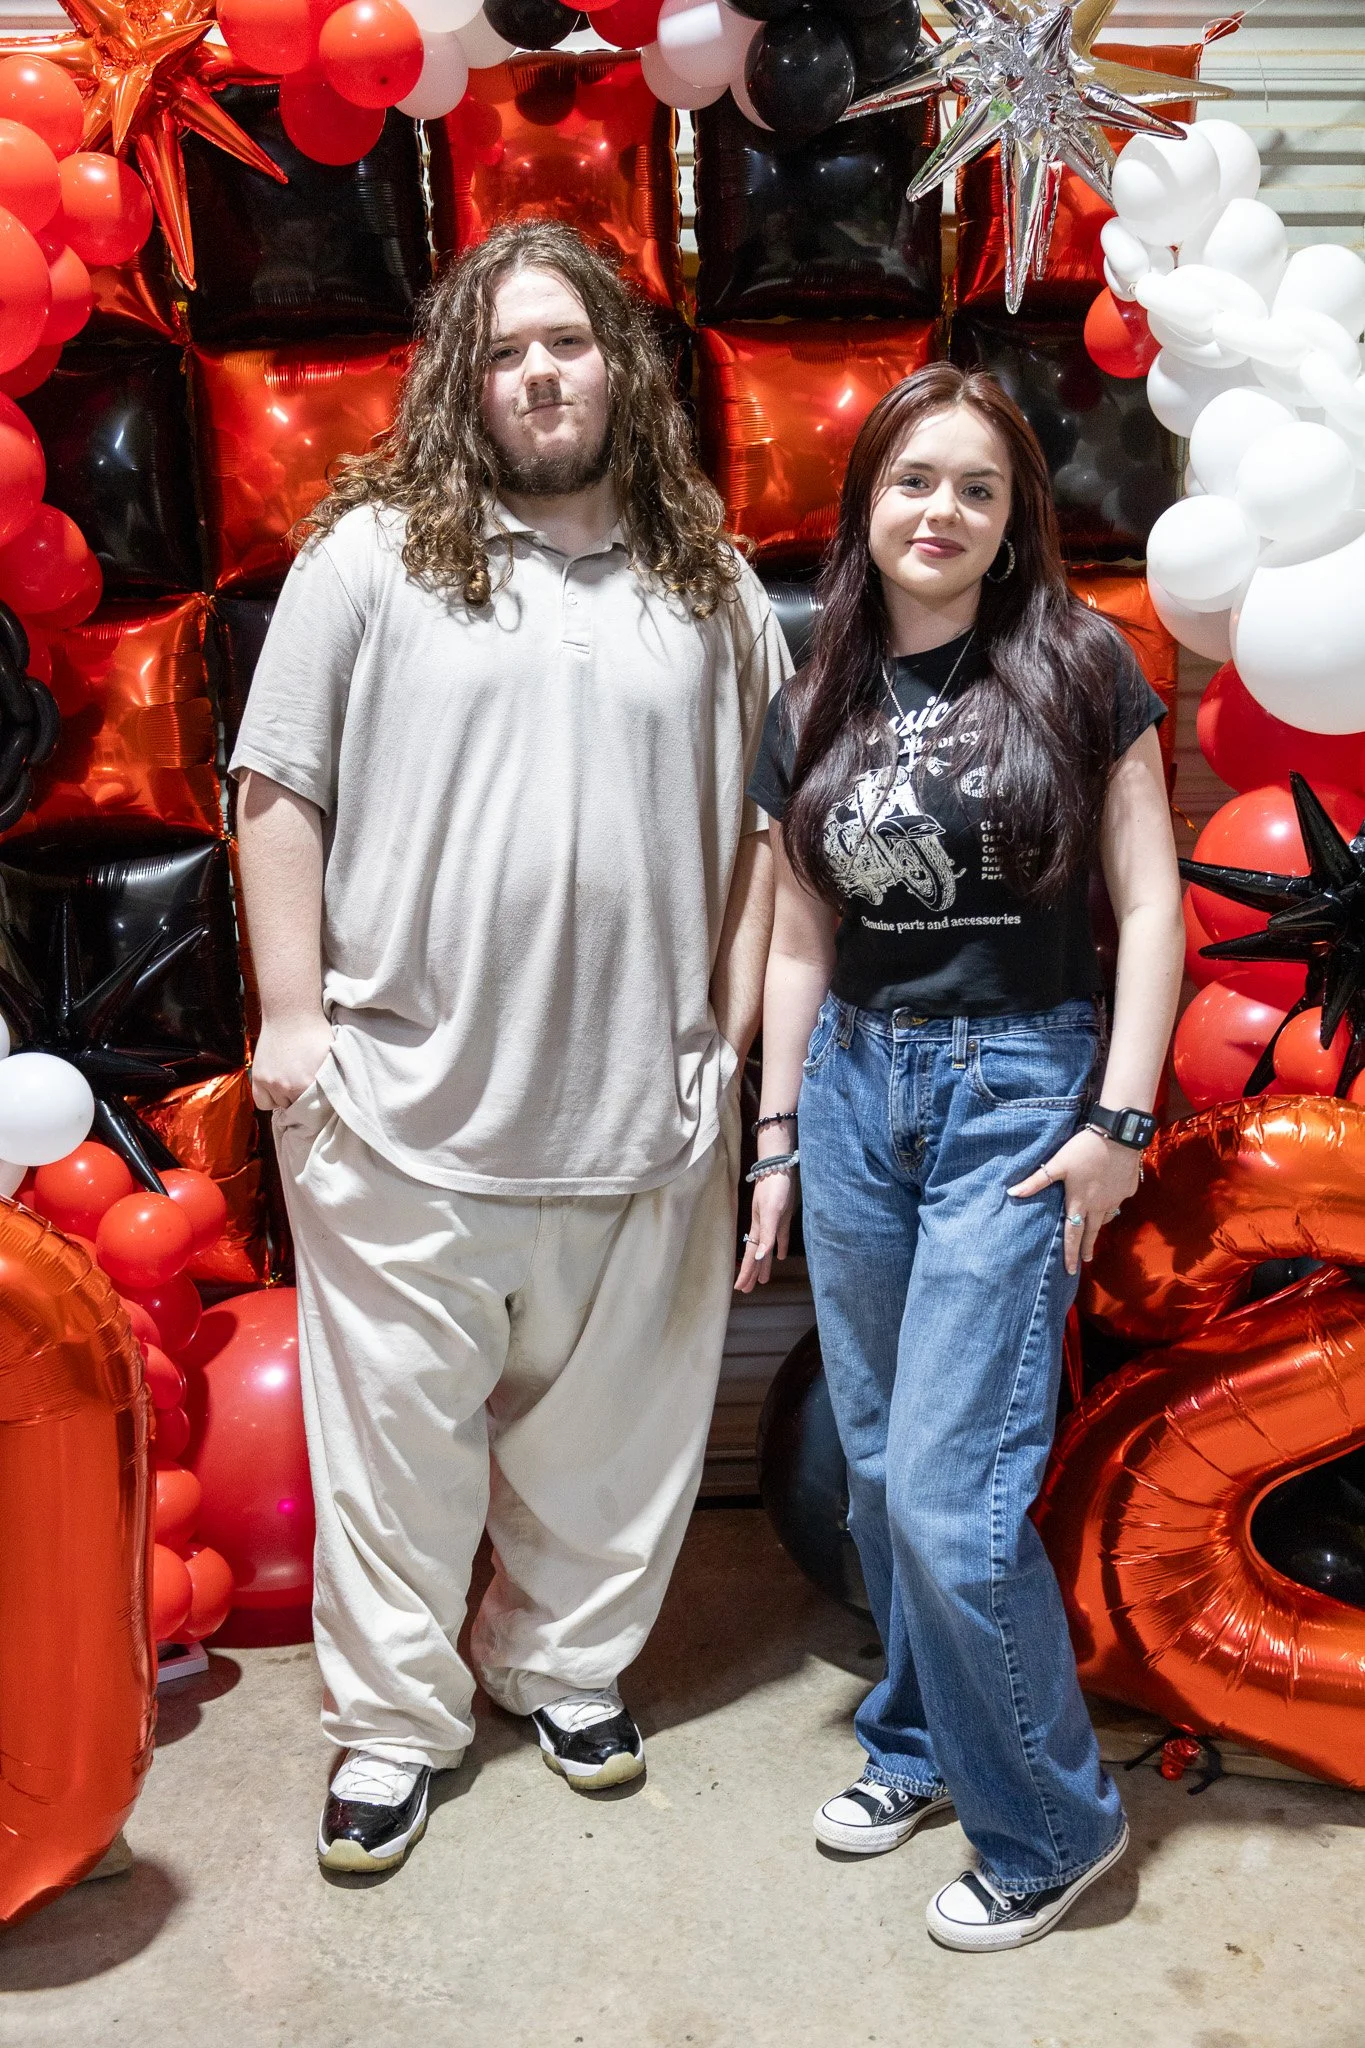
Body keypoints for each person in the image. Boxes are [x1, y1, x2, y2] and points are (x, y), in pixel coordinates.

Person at [232, 218, 789, 1875]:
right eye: (505, 350)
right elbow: (276, 790)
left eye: (568, 341)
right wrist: (292, 1021)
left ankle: (561, 1669)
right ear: (461, 382)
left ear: (623, 362)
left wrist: (729, 1042)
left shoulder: (712, 585)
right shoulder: (369, 557)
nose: (540, 374)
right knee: (396, 1460)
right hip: (405, 1104)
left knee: (612, 1449)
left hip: (643, 1105)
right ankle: (393, 1728)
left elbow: (763, 835)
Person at [737, 364, 1184, 1951]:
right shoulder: (816, 694)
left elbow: (1152, 903)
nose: (944, 510)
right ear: (868, 502)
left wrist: (1119, 1123)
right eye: (915, 480)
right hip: (857, 1089)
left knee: (951, 1490)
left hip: (1018, 1088)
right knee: (873, 1468)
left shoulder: (1081, 665)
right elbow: (799, 937)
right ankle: (921, 1740)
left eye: (978, 489)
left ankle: (1055, 1825)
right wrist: (776, 1140)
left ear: (1014, 522)